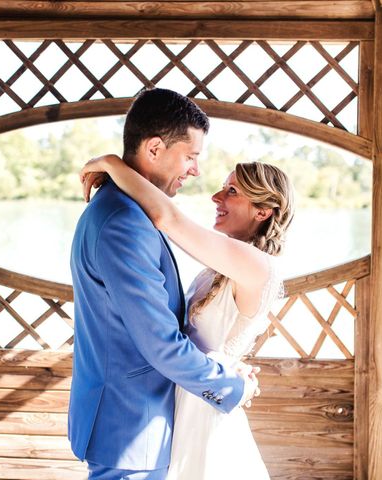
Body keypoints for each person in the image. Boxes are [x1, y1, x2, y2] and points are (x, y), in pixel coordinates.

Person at [69, 88, 259, 480]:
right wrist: (231, 387)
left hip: (140, 420)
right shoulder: (124, 222)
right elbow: (160, 343)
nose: (196, 171)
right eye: (190, 156)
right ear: (154, 148)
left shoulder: (127, 210)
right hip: (129, 423)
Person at [80, 154, 294, 479]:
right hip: (185, 399)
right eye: (223, 188)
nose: (216, 197)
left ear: (263, 212)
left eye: (232, 192)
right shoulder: (225, 261)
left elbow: (168, 218)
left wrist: (112, 164)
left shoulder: (256, 265)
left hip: (205, 410)